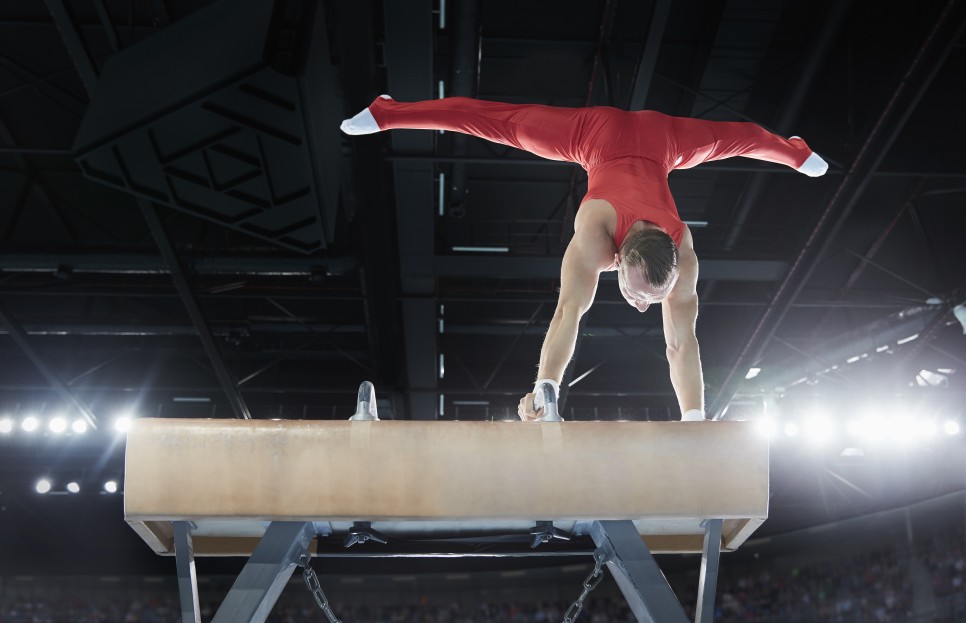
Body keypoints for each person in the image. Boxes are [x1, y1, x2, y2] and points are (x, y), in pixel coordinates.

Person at [341, 96, 828, 422]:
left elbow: (682, 345)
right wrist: (546, 387)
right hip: (597, 137)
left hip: (662, 143)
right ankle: (388, 112)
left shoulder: (684, 261)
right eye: (639, 296)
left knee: (741, 140)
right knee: (497, 123)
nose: (641, 307)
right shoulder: (595, 236)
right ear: (616, 257)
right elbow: (567, 311)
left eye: (648, 297)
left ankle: (796, 151)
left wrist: (695, 419)